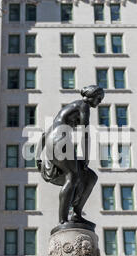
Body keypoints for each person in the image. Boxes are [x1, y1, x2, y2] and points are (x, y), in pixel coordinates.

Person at [36, 85, 104, 227]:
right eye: (99, 98)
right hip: (59, 141)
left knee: (91, 177)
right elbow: (85, 133)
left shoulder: (67, 112)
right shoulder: (83, 106)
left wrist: (37, 157)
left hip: (54, 141)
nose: (100, 102)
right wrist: (85, 159)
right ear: (92, 96)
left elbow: (43, 136)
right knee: (72, 176)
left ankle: (76, 213)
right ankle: (63, 220)